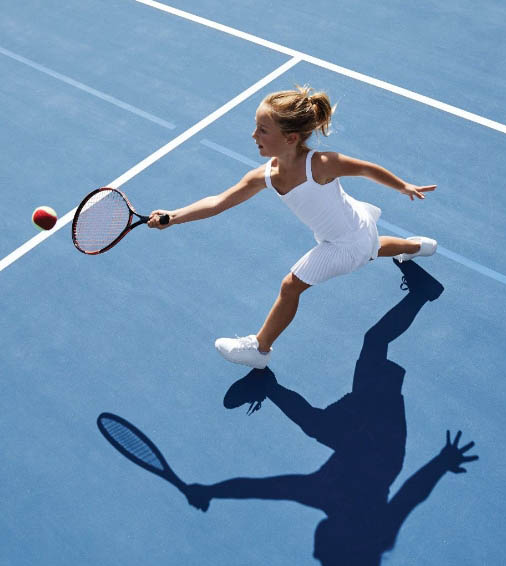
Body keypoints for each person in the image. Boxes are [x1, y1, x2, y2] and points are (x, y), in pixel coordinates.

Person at [148, 85, 437, 368]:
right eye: (256, 127)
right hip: (351, 229)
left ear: (290, 138)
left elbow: (365, 168)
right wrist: (174, 216)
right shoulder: (263, 177)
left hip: (344, 243)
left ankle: (259, 350)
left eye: (263, 130)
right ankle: (416, 246)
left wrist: (402, 186)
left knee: (293, 287)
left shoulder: (321, 165)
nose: (253, 135)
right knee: (371, 247)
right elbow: (218, 202)